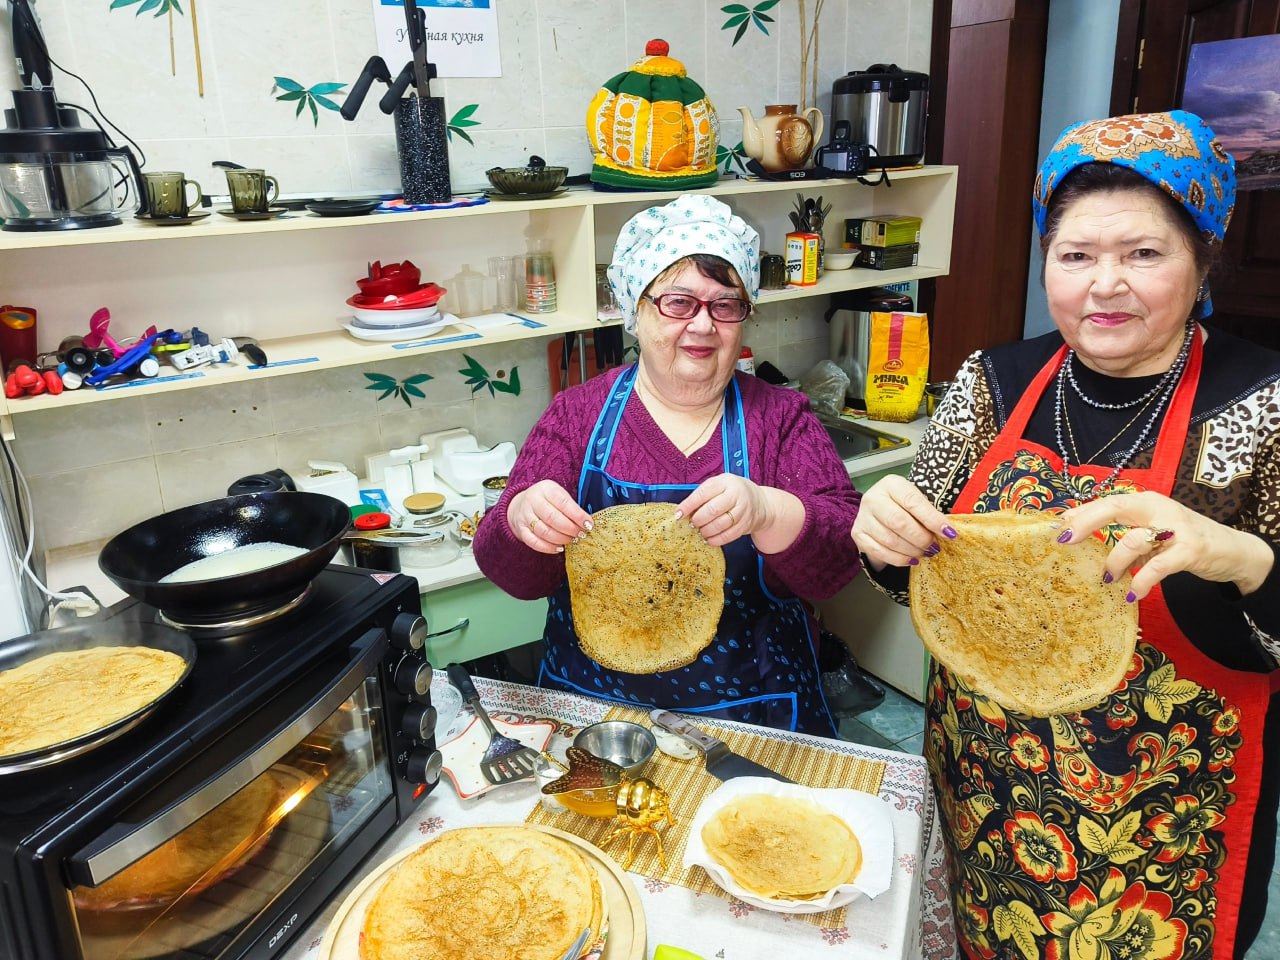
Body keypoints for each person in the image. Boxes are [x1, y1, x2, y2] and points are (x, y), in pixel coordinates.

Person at [852, 110, 1280, 959]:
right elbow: (914, 575)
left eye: (1143, 254)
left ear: (1202, 265)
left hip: (1159, 830)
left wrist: (1244, 557)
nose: (1104, 285)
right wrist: (882, 535)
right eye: (1075, 255)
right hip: (984, 793)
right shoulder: (994, 381)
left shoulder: (1262, 403)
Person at [473, 194, 861, 736]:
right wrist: (521, 520)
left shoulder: (781, 417)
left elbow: (840, 564)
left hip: (756, 718)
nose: (703, 326)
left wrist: (769, 511)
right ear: (636, 308)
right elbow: (505, 568)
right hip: (597, 718)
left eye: (725, 305)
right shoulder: (576, 416)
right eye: (678, 302)